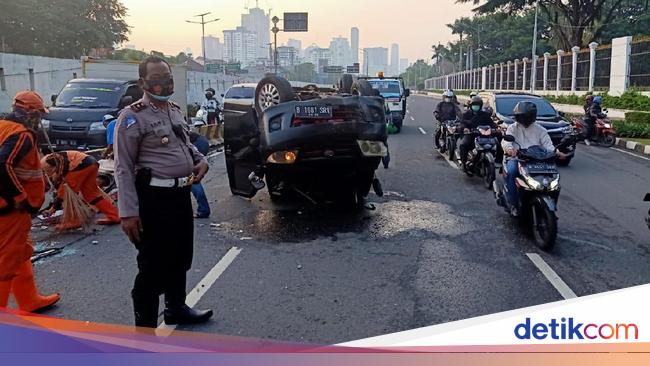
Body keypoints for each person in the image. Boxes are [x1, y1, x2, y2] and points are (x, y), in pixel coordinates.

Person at [115, 56, 212, 329]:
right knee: (152, 266)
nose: (163, 84)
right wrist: (128, 213)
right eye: (156, 80)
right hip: (153, 201)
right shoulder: (132, 117)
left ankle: (176, 308)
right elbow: (123, 168)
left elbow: (185, 143)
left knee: (180, 256)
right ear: (142, 83)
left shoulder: (174, 109)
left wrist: (199, 159)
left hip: (180, 196)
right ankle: (144, 328)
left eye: (167, 78)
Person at [0, 91, 60, 312]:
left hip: (8, 207)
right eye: (39, 114)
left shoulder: (3, 126)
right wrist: (19, 198)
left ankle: (28, 300)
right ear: (31, 112)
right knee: (6, 261)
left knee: (21, 251)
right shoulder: (21, 134)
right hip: (10, 209)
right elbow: (2, 165)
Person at [502, 101, 567, 216]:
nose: (524, 119)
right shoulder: (512, 128)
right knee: (512, 171)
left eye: (527, 116)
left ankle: (548, 202)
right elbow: (507, 142)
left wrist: (557, 153)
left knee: (553, 176)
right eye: (522, 116)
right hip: (518, 159)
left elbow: (548, 146)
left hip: (537, 160)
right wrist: (510, 149)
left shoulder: (540, 130)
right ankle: (514, 204)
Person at [41, 150, 120, 229]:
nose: (48, 175)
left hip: (80, 165)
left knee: (69, 193)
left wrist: (54, 207)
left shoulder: (48, 160)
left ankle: (75, 220)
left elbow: (62, 191)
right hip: (91, 164)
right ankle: (114, 216)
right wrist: (54, 208)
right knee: (92, 195)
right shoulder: (54, 163)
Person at [458, 96, 499, 171]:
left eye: (477, 105)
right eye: (474, 105)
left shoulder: (485, 115)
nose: (476, 107)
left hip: (484, 136)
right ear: (471, 106)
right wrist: (465, 128)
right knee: (463, 145)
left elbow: (491, 124)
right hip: (471, 135)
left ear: (480, 106)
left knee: (497, 142)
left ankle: (498, 160)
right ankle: (463, 163)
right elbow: (462, 123)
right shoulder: (466, 114)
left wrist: (497, 128)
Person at [189, 131, 211, 218]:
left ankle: (203, 210)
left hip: (195, 144)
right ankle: (203, 209)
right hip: (202, 141)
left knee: (192, 178)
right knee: (193, 178)